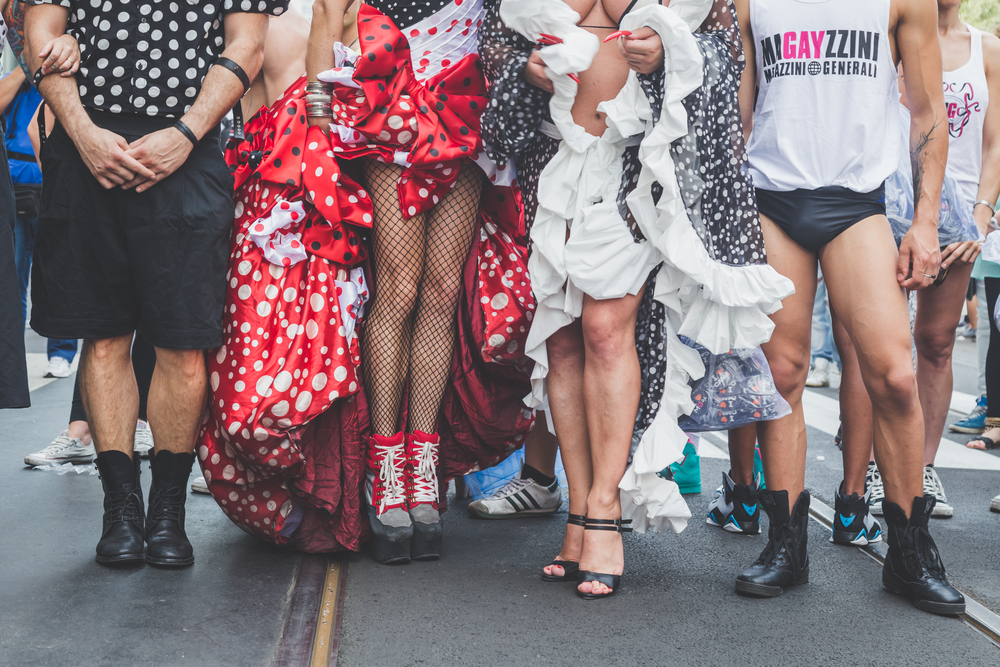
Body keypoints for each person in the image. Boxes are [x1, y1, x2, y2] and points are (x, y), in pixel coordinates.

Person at [498, 0, 793, 599]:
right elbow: (493, 55)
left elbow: (725, 56)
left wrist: (667, 53)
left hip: (636, 171)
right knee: (562, 341)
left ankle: (605, 510)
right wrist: (522, 70)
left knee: (606, 329)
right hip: (552, 167)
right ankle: (579, 511)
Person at [24, 0, 287, 567]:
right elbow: (38, 35)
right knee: (104, 337)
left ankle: (168, 511)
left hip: (187, 149)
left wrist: (185, 134)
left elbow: (246, 45)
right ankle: (120, 510)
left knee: (184, 345)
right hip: (85, 145)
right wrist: (84, 134)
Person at [733, 0, 966, 615]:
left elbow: (928, 112)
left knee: (893, 376)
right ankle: (787, 546)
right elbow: (738, 111)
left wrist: (924, 222)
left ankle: (910, 555)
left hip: (858, 202)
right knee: (781, 374)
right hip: (771, 198)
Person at [840, 0, 999, 521]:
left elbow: (996, 141)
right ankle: (867, 470)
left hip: (959, 218)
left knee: (936, 342)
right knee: (876, 347)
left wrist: (981, 215)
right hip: (886, 205)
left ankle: (923, 468)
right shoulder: (891, 26)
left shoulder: (987, 50)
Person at [1, 62, 79, 379]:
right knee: (15, 277)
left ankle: (62, 351)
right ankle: (13, 354)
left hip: (53, 185)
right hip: (18, 188)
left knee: (59, 269)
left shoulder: (66, 76)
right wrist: (25, 69)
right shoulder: (15, 80)